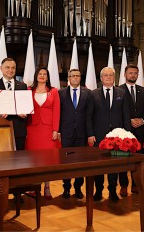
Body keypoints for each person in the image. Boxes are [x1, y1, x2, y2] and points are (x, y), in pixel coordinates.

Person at [87, 67, 131, 202]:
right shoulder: (93, 94)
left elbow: (126, 115)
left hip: (117, 135)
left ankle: (112, 190)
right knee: (98, 165)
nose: (108, 77)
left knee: (114, 166)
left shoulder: (122, 93)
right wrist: (90, 134)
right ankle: (98, 191)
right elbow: (88, 116)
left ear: (114, 77)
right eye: (105, 75)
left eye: (110, 75)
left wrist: (127, 134)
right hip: (98, 135)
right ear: (101, 78)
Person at [25, 67, 60, 200]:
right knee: (34, 159)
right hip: (32, 128)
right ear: (36, 76)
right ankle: (35, 187)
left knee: (47, 160)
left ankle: (47, 187)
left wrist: (55, 129)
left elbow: (57, 111)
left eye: (45, 74)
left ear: (47, 77)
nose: (42, 76)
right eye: (40, 74)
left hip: (48, 129)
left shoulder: (53, 91)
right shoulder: (29, 91)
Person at [58, 69, 92, 199]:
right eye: (73, 76)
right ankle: (66, 187)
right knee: (66, 163)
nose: (75, 78)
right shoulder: (60, 93)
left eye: (78, 76)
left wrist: (89, 133)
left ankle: (78, 188)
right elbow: (59, 114)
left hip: (82, 134)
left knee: (80, 163)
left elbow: (89, 115)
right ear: (68, 78)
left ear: (80, 78)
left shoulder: (87, 93)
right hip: (66, 133)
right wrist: (59, 131)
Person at [118, 64, 144, 196]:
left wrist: (142, 120)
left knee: (137, 159)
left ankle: (136, 185)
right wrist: (129, 120)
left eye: (135, 73)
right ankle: (124, 185)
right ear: (125, 75)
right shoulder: (118, 90)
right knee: (123, 160)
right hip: (124, 130)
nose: (133, 75)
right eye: (130, 73)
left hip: (140, 130)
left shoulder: (143, 90)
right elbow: (116, 111)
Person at [0, 58, 28, 150]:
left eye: (13, 68)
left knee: (19, 160)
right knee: (2, 160)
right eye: (7, 67)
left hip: (19, 129)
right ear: (1, 68)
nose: (10, 70)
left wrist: (25, 114)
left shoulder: (22, 86)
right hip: (0, 128)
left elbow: (26, 106)